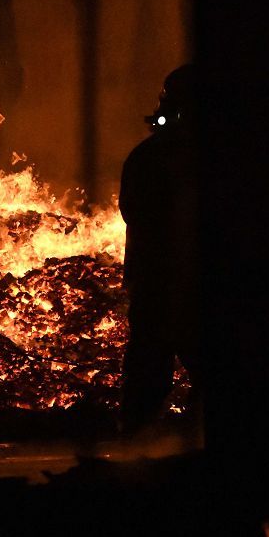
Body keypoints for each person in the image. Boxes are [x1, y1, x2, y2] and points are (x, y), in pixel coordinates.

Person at [119, 64, 201, 433]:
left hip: (178, 275)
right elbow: (136, 212)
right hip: (166, 275)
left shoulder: (148, 156)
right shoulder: (151, 158)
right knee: (153, 361)